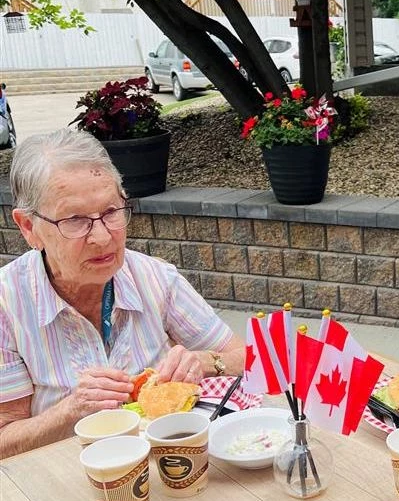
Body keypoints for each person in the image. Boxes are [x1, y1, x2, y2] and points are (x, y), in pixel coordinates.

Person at [0, 129, 246, 457]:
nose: (102, 237)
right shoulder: (7, 303)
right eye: (75, 220)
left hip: (164, 467)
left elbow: (248, 358)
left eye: (111, 212)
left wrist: (207, 362)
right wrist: (70, 410)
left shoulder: (155, 278)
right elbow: (5, 435)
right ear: (28, 227)